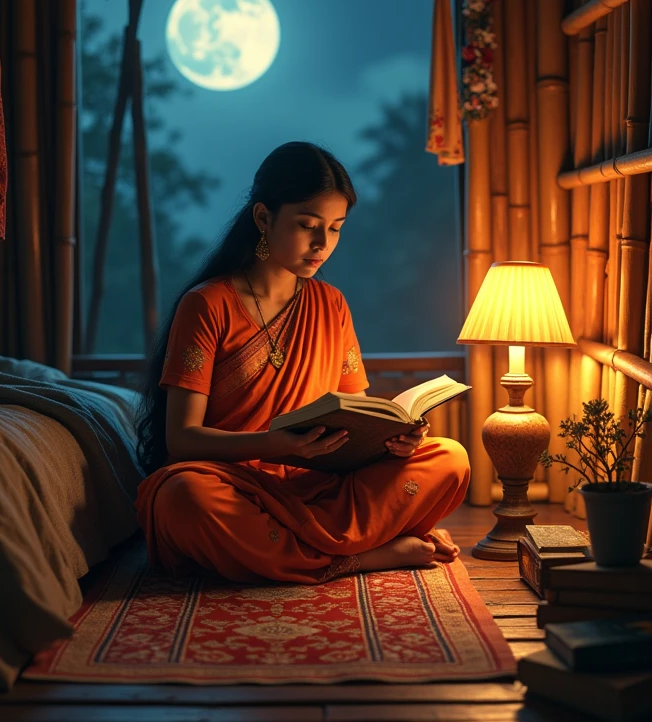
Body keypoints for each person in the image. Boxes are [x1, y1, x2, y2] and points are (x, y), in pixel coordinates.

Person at [135, 141, 470, 583]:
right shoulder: (208, 304)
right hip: (233, 486)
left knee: (449, 457)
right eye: (307, 225)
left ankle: (293, 555)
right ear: (263, 218)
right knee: (182, 497)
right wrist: (277, 445)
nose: (321, 244)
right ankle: (360, 557)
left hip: (319, 483)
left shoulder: (330, 304)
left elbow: (356, 414)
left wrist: (393, 437)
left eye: (335, 228)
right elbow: (182, 439)